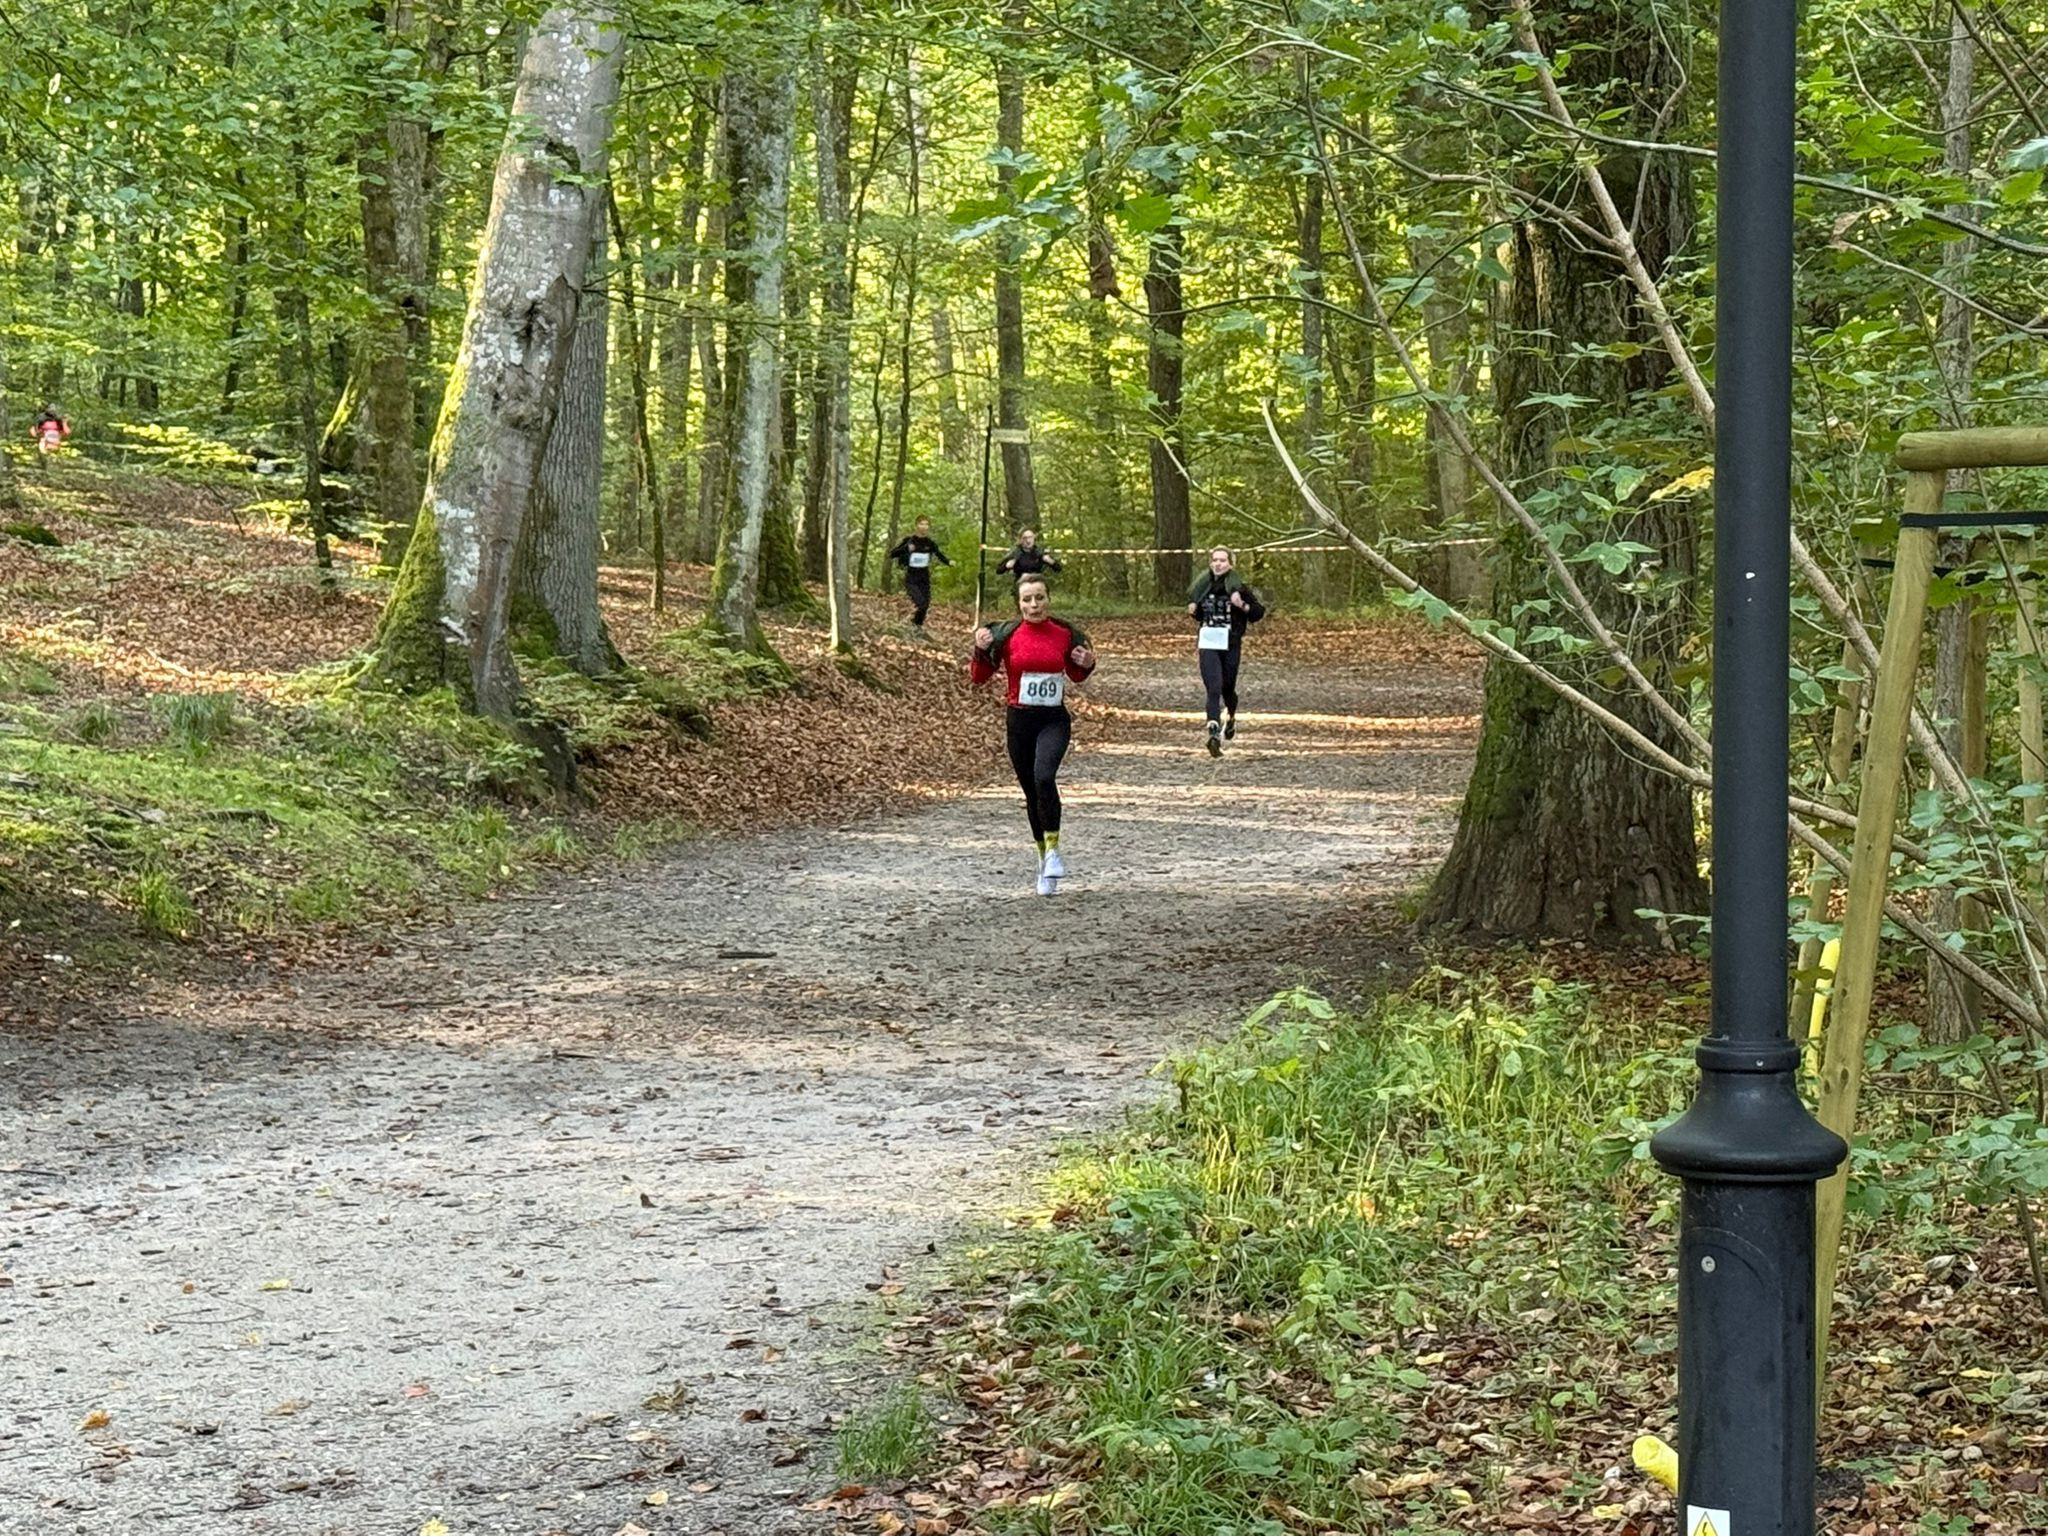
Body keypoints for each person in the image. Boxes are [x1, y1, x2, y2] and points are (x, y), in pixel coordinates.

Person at [970, 574, 1097, 895]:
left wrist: (1088, 662)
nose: (1034, 605)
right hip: (1019, 722)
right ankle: (1044, 862)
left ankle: (1054, 852)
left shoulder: (1065, 633)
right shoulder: (1008, 635)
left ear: (1048, 600)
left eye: (1039, 598)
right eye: (1027, 599)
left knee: (1044, 778)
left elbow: (1078, 674)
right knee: (1031, 792)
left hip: (1053, 720)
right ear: (1019, 603)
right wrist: (979, 649)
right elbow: (979, 676)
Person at [1186, 545, 1265, 757]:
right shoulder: (1201, 587)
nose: (1218, 564)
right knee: (1214, 687)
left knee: (1228, 689)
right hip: (1209, 642)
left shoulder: (1239, 587)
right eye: (1215, 560)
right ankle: (1213, 731)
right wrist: (1194, 611)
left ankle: (1230, 716)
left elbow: (1258, 613)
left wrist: (1243, 606)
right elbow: (1199, 612)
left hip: (1231, 643)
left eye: (1222, 560)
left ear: (1230, 563)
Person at [887, 516, 951, 633]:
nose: (924, 527)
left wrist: (949, 562)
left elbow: (939, 554)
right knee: (920, 603)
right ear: (916, 525)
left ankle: (917, 626)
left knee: (926, 604)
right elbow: (892, 554)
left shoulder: (929, 543)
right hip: (912, 576)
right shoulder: (909, 540)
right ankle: (913, 625)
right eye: (922, 524)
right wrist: (906, 549)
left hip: (924, 576)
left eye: (926, 524)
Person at [995, 527, 1063, 582]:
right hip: (1021, 585)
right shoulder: (1016, 553)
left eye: (1030, 537)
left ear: (1034, 538)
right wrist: (1006, 566)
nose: (1028, 541)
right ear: (1020, 539)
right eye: (1025, 538)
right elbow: (998, 570)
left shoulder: (1039, 552)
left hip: (1037, 584)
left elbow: (1058, 569)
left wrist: (1051, 562)